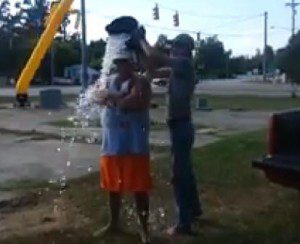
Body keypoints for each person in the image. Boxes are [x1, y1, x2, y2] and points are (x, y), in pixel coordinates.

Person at [127, 30, 202, 235]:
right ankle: (195, 210)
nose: (173, 49)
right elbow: (151, 66)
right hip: (179, 126)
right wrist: (139, 54)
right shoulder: (177, 69)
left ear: (186, 49)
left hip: (181, 126)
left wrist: (141, 38)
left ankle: (183, 224)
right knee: (186, 171)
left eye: (177, 46)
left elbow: (156, 57)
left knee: (179, 175)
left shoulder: (185, 65)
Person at [95, 51, 152, 243]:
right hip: (112, 143)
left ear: (133, 64)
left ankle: (144, 229)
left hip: (134, 143)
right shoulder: (108, 80)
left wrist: (113, 97)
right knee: (113, 186)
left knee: (139, 188)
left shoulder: (141, 82)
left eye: (126, 63)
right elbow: (97, 96)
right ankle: (114, 223)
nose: (122, 67)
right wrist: (113, 97)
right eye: (119, 63)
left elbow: (134, 101)